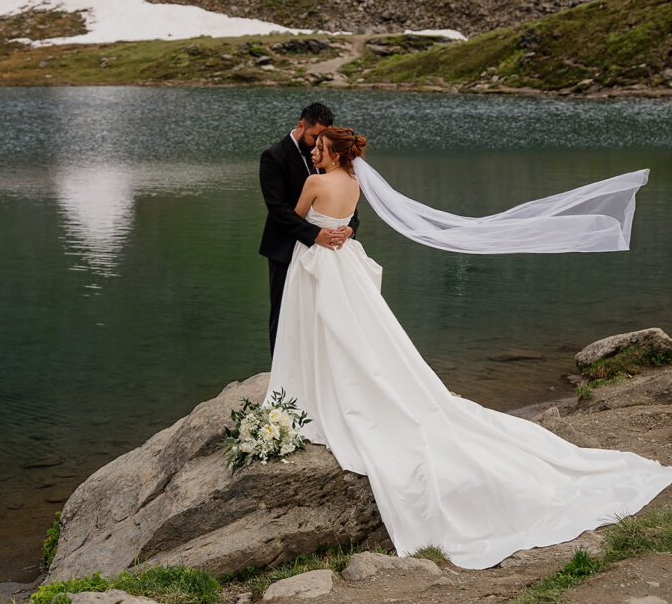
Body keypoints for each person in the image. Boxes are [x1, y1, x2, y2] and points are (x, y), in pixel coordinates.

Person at [266, 126, 672, 570]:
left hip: (320, 263)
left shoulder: (314, 182)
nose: (314, 155)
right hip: (345, 262)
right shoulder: (355, 183)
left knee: (323, 327)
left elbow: (297, 217)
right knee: (358, 333)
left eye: (320, 150)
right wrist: (338, 232)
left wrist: (321, 234)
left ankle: (314, 386)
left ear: (334, 153)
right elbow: (342, 221)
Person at [259, 103, 359, 354]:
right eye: (315, 137)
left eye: (321, 140)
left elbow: (350, 207)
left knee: (323, 313)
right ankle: (281, 378)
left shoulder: (331, 157)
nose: (317, 145)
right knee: (284, 313)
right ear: (301, 125)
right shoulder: (273, 157)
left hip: (328, 252)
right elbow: (277, 208)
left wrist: (349, 229)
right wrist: (315, 234)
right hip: (285, 248)